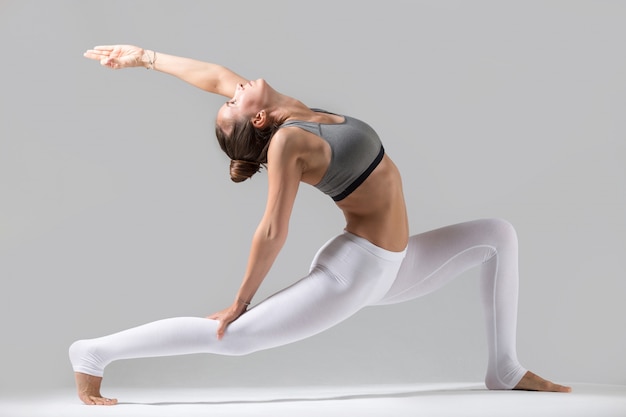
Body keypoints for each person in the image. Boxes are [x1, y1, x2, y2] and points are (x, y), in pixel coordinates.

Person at [71, 44, 571, 406]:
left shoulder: (288, 108)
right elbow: (272, 229)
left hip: (395, 264)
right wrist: (241, 301)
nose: (229, 90)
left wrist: (144, 57)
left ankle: (505, 370)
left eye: (227, 99)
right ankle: (94, 353)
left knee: (497, 235)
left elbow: (213, 73)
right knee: (237, 336)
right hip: (356, 271)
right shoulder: (289, 140)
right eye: (230, 104)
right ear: (259, 120)